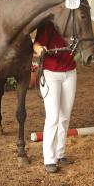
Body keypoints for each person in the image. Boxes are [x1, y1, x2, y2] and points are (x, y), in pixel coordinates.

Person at [33, 21, 77, 173]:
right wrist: (41, 50)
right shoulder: (48, 24)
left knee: (65, 116)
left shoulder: (73, 23)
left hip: (70, 72)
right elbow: (36, 44)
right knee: (53, 116)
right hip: (51, 72)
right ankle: (49, 158)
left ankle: (60, 153)